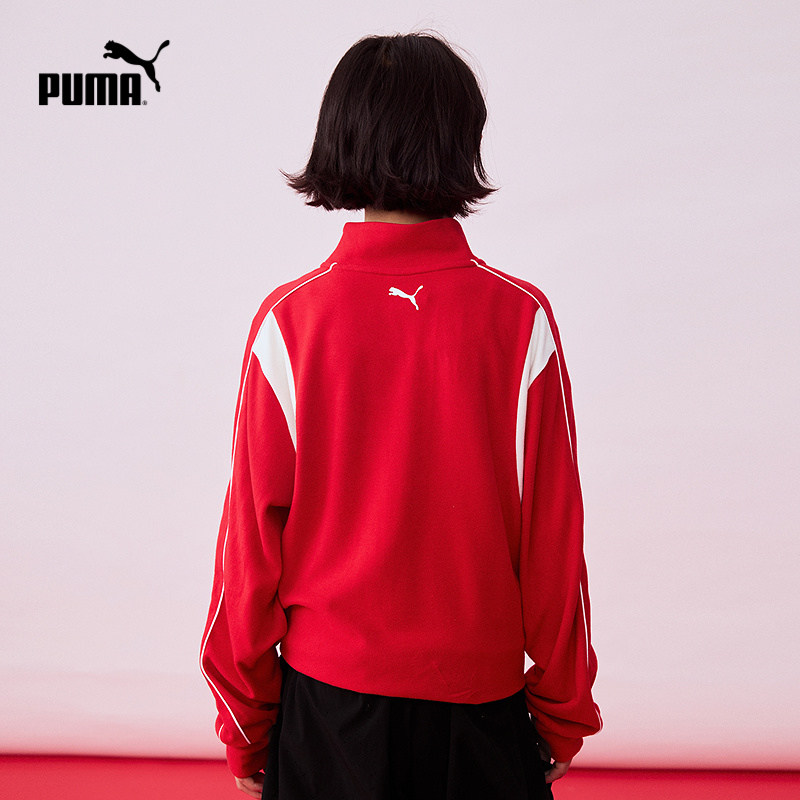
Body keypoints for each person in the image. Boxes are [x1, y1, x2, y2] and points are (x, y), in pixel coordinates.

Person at [199, 31, 602, 800]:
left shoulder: (291, 322)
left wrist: (247, 723)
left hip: (328, 715)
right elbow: (556, 540)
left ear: (337, 136)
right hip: (481, 713)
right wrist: (562, 713)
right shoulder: (519, 319)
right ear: (465, 141)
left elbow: (246, 550)